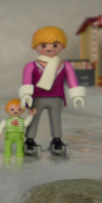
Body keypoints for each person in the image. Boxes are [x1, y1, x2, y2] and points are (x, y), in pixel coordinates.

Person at [19, 26, 85, 155]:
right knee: (33, 118)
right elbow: (26, 81)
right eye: (43, 45)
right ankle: (30, 140)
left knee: (56, 119)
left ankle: (57, 139)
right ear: (36, 46)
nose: (49, 49)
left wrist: (77, 95)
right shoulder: (31, 66)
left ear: (62, 46)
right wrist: (26, 94)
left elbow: (72, 80)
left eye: (55, 45)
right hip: (37, 97)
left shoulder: (64, 65)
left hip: (56, 97)